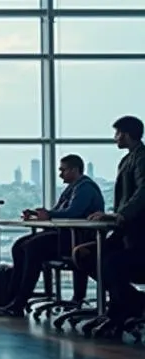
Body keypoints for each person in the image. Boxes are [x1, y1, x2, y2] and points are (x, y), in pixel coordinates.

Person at [0, 154, 103, 317]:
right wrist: (40, 214)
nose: (60, 174)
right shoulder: (73, 187)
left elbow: (73, 213)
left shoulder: (85, 188)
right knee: (19, 246)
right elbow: (59, 212)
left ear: (75, 170)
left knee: (32, 247)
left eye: (63, 170)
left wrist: (49, 214)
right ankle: (11, 298)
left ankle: (19, 302)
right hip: (65, 236)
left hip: (77, 240)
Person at [73, 116, 145, 328]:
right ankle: (133, 302)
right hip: (124, 233)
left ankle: (119, 311)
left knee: (108, 262)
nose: (115, 138)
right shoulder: (128, 159)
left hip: (138, 235)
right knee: (83, 254)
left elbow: (143, 192)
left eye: (117, 133)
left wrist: (120, 215)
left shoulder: (142, 157)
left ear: (126, 133)